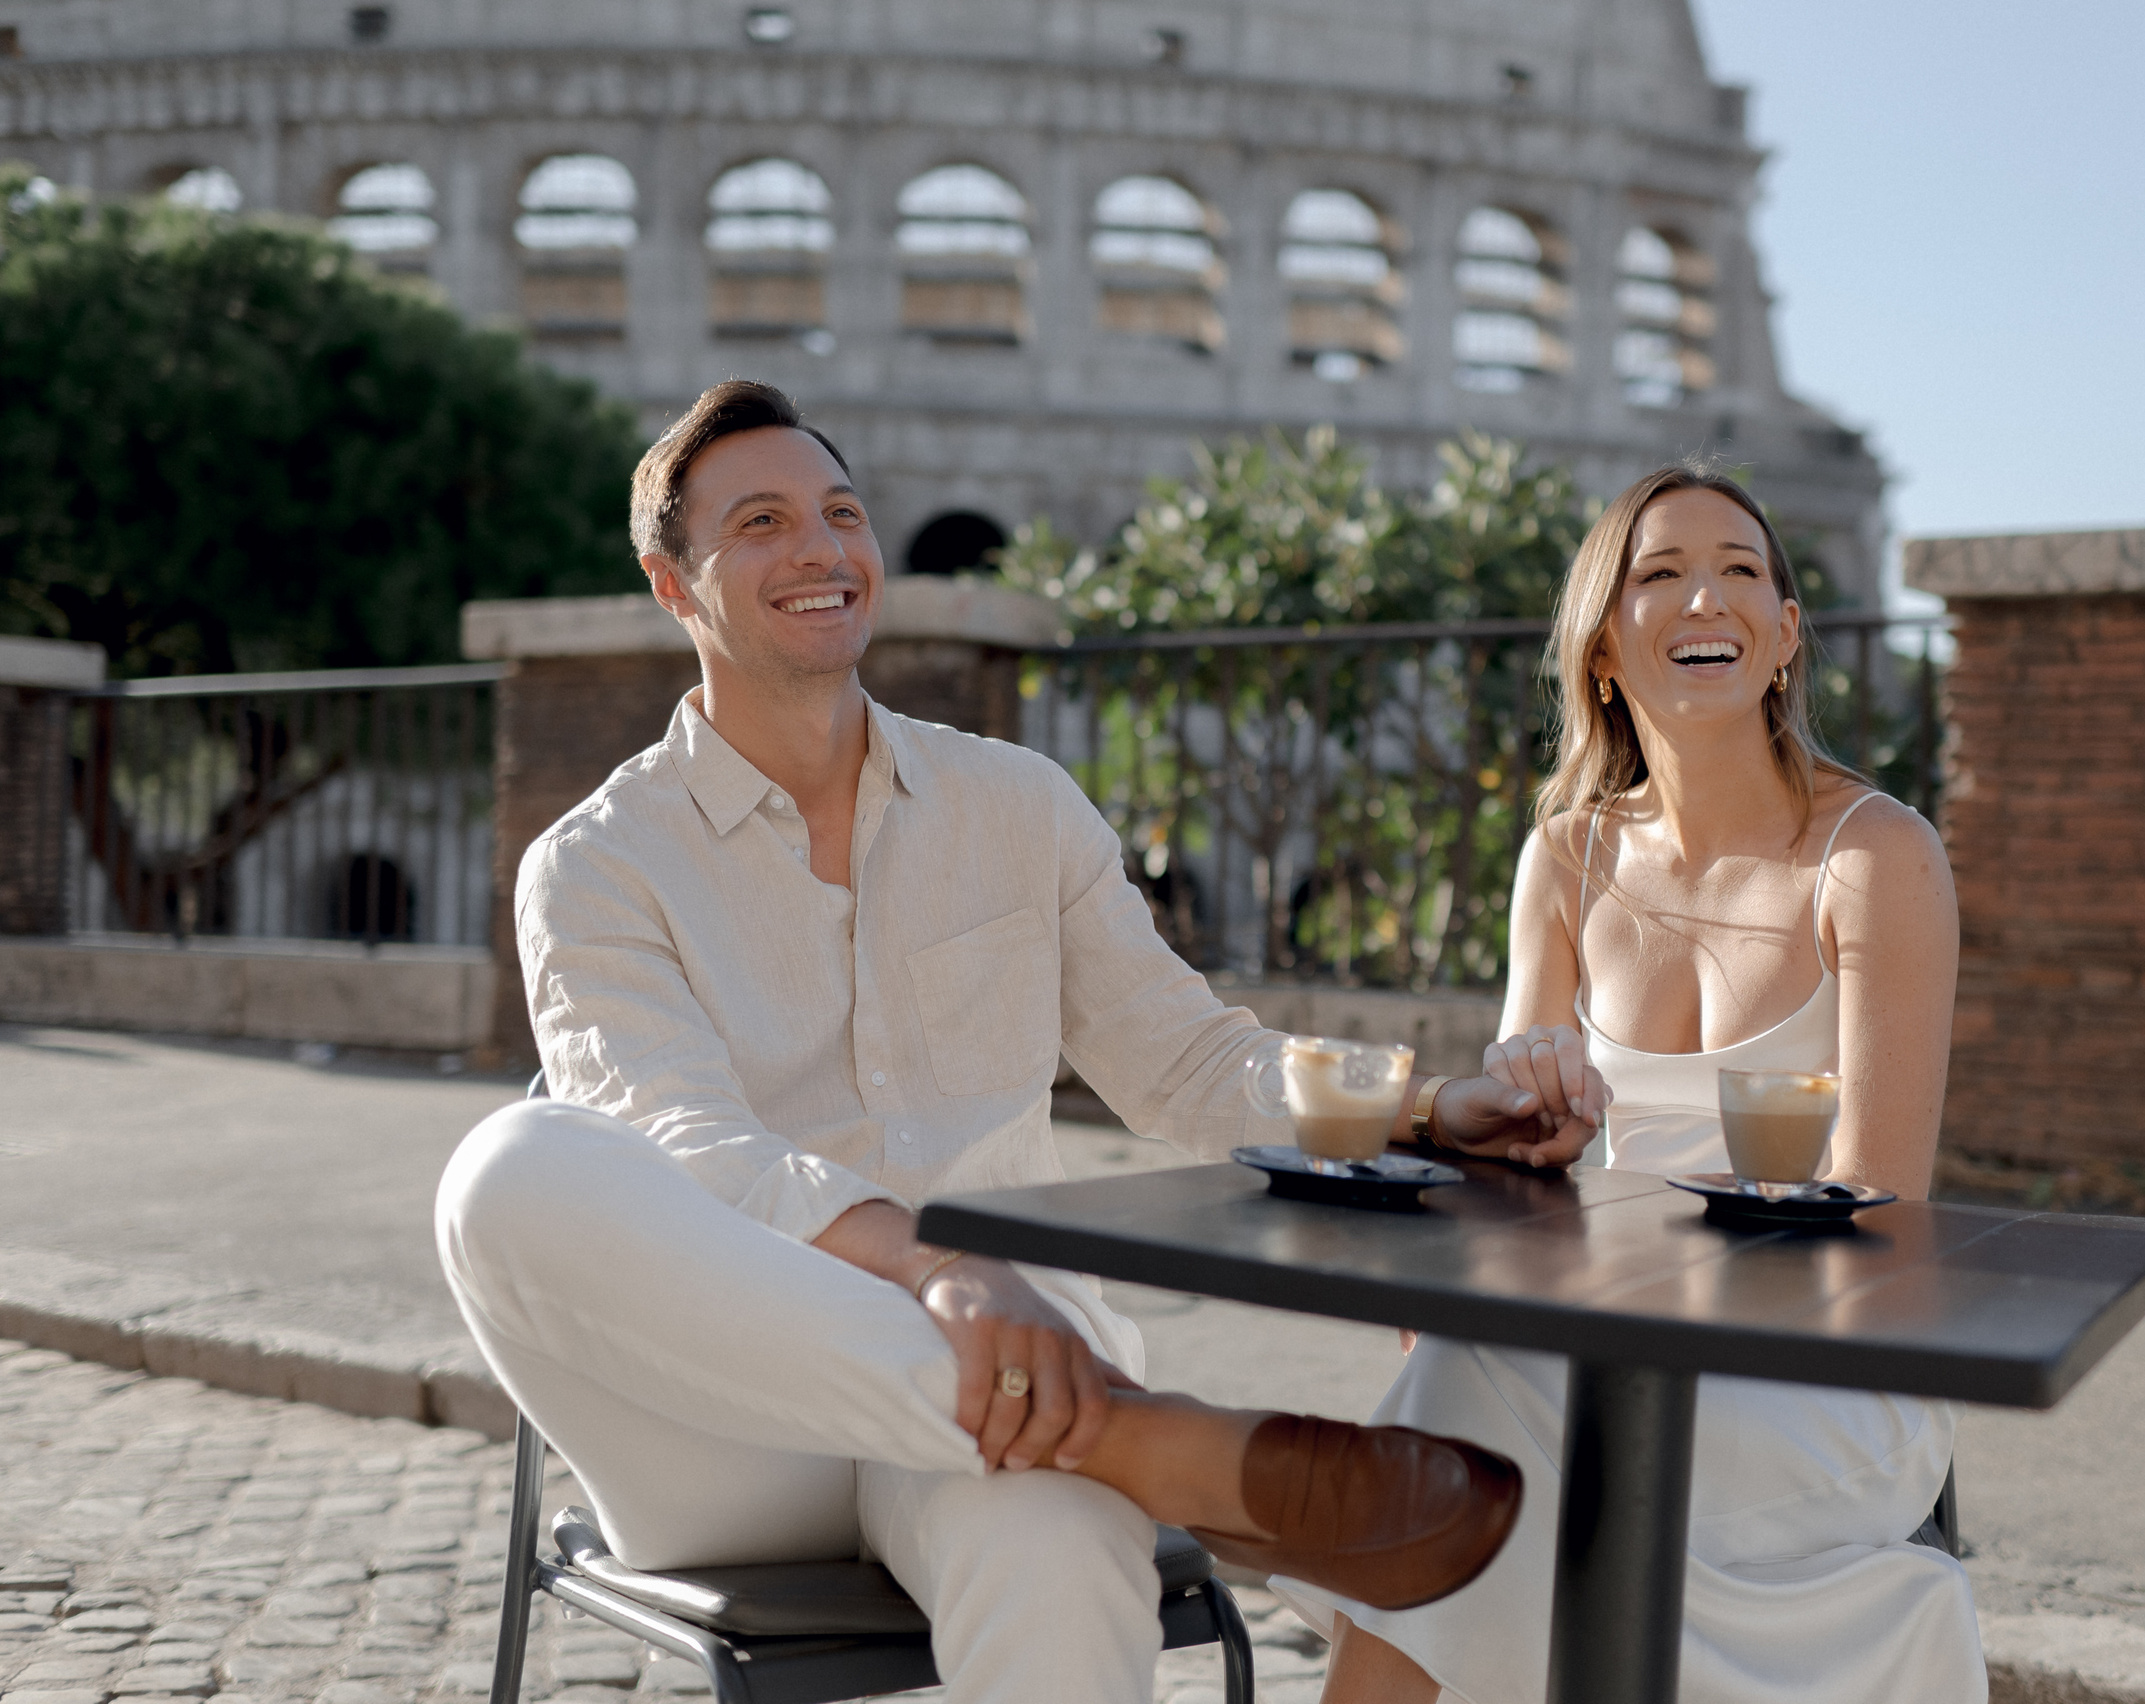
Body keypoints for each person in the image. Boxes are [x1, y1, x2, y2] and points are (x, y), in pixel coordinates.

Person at [435, 380, 1565, 1704]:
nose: (821, 548)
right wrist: (936, 1266)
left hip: (1013, 1401)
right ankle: (1156, 1444)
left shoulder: (1016, 806)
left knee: (1057, 1539)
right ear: (672, 584)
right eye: (761, 522)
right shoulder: (597, 862)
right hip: (734, 1435)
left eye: (841, 513)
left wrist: (1431, 1107)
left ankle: (1107, 1448)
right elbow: (685, 1146)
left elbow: (1189, 1062)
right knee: (507, 1172)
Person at [1283, 465, 1990, 1703]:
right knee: (1471, 1375)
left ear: (1781, 637)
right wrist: (1516, 1126)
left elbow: (1874, 1209)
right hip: (1598, 1350)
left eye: (1738, 572)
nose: (1701, 596)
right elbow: (1501, 1161)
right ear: (1605, 647)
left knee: (1466, 1395)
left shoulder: (1875, 856)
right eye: (1657, 574)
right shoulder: (1565, 855)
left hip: (1826, 1378)